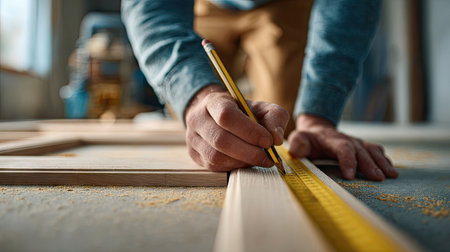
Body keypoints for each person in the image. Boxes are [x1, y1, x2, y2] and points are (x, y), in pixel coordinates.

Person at [121, 0, 399, 181]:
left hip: (285, 5)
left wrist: (318, 117)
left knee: (278, 124)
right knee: (207, 121)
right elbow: (149, 7)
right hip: (197, 7)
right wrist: (195, 95)